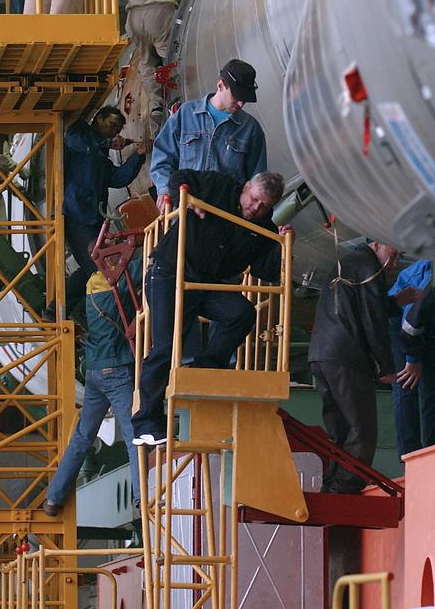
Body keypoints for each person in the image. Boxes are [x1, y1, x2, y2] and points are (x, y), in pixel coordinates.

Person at [132, 168, 290, 446]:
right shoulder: (218, 185)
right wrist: (187, 199)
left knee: (241, 313)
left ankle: (205, 367)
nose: (255, 208)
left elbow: (266, 272)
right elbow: (181, 176)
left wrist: (282, 246)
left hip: (205, 285)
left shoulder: (263, 228)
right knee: (168, 346)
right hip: (169, 273)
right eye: (253, 199)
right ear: (245, 188)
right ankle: (146, 423)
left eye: (264, 205)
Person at [44, 257, 144, 517]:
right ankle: (140, 498)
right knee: (134, 435)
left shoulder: (92, 289)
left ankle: (54, 498)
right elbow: (144, 265)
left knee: (82, 436)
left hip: (94, 373)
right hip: (117, 372)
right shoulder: (116, 290)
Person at [308, 243, 397, 492]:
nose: (395, 264)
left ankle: (331, 483)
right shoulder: (369, 267)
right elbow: (372, 319)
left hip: (320, 354)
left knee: (339, 427)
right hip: (347, 356)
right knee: (362, 428)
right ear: (378, 245)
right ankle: (345, 488)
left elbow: (355, 306)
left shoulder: (345, 262)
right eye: (394, 254)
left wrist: (395, 303)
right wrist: (386, 365)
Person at [46, 106, 146, 320]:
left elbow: (118, 179)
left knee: (90, 266)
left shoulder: (101, 156)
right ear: (98, 118)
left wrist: (137, 157)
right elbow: (77, 143)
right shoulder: (80, 132)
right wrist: (108, 143)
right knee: (97, 263)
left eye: (117, 128)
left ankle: (56, 311)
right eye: (111, 125)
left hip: (93, 217)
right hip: (76, 214)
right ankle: (119, 312)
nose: (113, 131)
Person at [149, 59, 267, 214]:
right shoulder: (186, 114)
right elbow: (162, 158)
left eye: (245, 99)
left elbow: (257, 182)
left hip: (225, 220)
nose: (241, 103)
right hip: (184, 215)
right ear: (220, 85)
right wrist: (164, 190)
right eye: (237, 96)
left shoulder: (251, 129)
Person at [387, 256, 435, 459]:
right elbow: (411, 320)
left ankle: (434, 453)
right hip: (402, 321)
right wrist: (412, 359)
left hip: (428, 324)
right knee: (407, 384)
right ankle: (410, 455)